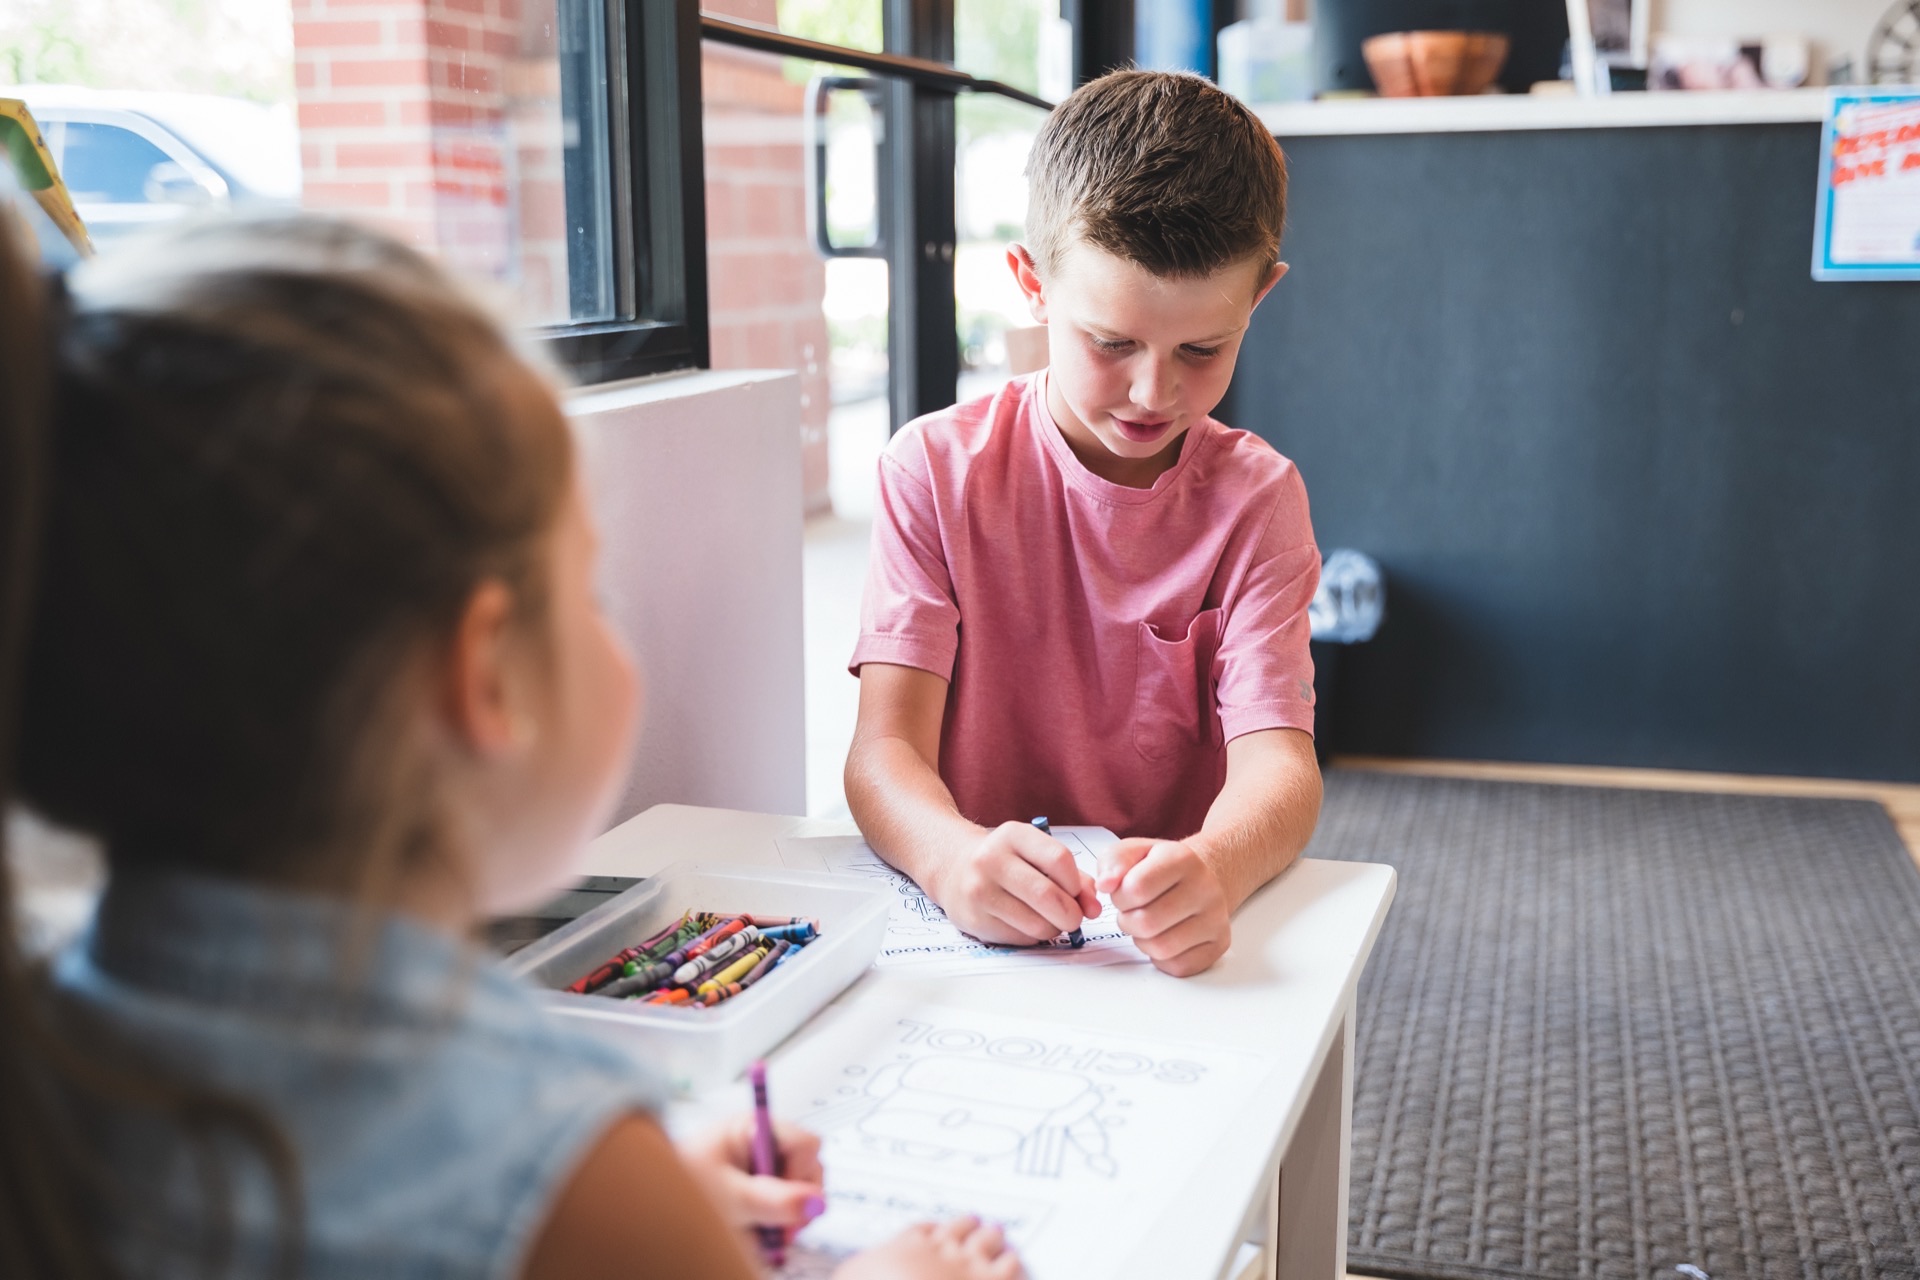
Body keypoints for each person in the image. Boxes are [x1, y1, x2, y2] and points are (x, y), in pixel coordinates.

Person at [0, 211, 1021, 1280]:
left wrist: (640, 1200)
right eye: (586, 586)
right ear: (485, 673)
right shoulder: (558, 1160)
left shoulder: (54, 1047)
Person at [844, 70, 1322, 979]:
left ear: (1257, 299)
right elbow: (883, 752)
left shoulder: (1259, 499)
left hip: (1155, 939)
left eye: (1201, 350)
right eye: (1111, 343)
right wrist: (948, 856)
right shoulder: (932, 472)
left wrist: (1216, 866)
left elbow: (1281, 771)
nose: (1153, 392)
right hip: (967, 926)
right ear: (1031, 283)